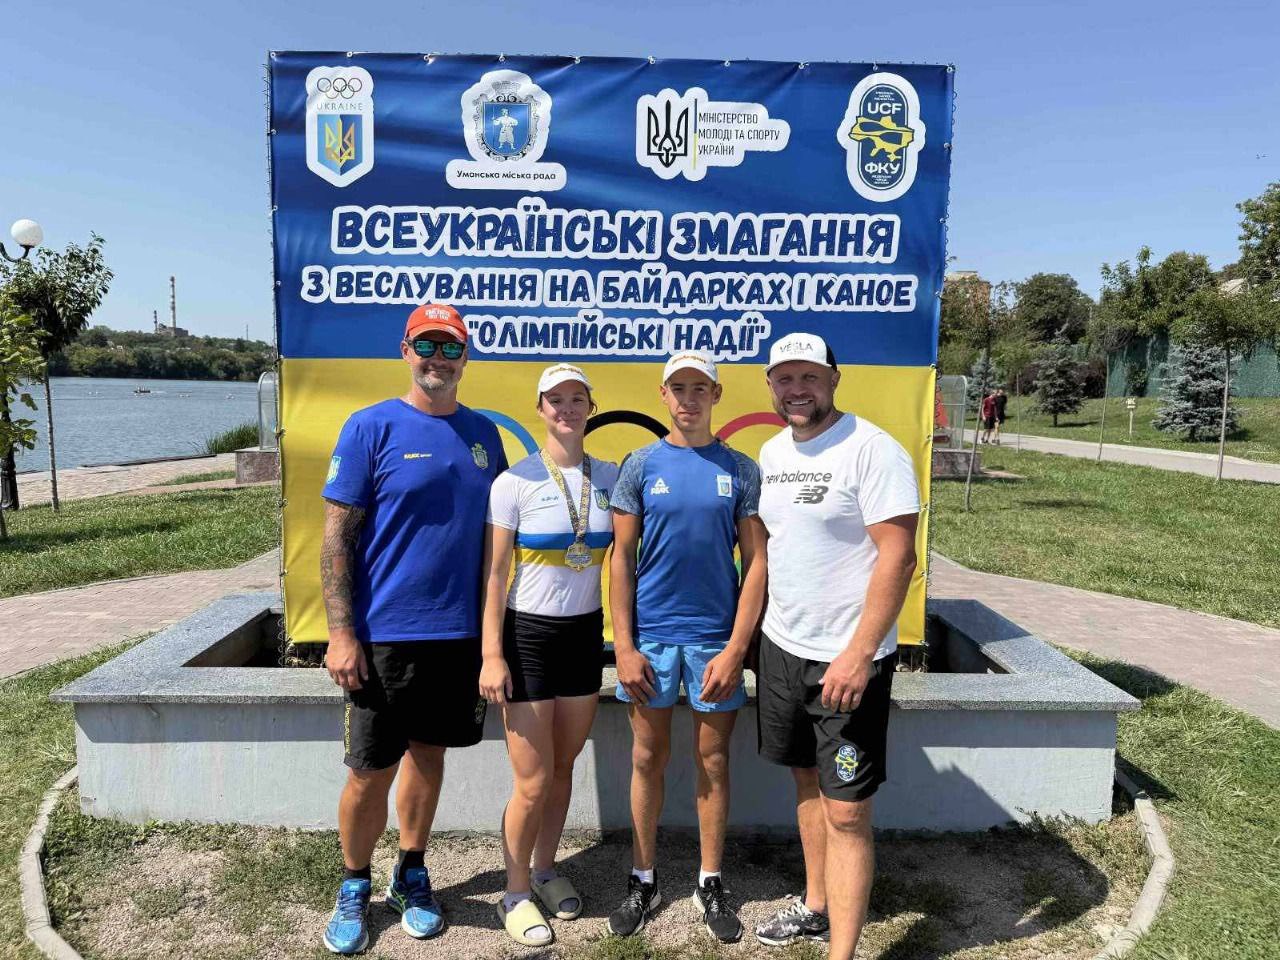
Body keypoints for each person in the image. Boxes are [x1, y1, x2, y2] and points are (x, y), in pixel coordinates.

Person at [319, 303, 508, 955]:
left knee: (429, 757)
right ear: (405, 350)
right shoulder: (369, 426)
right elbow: (337, 538)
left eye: (450, 347)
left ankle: (411, 871)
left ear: (465, 358)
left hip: (457, 638)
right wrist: (341, 634)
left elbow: (497, 544)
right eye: (426, 344)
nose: (438, 358)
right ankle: (354, 883)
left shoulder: (485, 436)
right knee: (369, 771)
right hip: (383, 637)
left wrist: (493, 639)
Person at [752, 333, 919, 960]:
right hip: (782, 648)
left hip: (846, 660)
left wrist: (858, 653)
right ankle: (815, 905)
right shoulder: (772, 451)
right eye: (785, 378)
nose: (797, 390)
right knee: (806, 781)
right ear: (771, 385)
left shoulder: (872, 449)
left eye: (809, 377)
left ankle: (840, 954)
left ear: (833, 379)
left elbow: (898, 556)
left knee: (847, 812)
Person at [606, 351, 767, 944]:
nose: (689, 398)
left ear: (717, 395)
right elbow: (621, 558)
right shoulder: (640, 464)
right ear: (663, 394)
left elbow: (757, 563)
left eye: (701, 388)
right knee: (647, 758)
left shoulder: (740, 469)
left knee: (713, 762)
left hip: (713, 643)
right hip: (650, 641)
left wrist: (737, 649)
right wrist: (623, 646)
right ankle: (643, 878)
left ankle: (710, 880)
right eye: (679, 388)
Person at [479, 363, 620, 947]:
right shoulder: (513, 483)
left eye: (576, 399)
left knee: (562, 768)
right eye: (555, 399)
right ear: (540, 409)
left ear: (590, 408)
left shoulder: (611, 477)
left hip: (584, 635)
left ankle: (544, 869)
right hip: (528, 637)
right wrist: (491, 654)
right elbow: (494, 575)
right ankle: (514, 894)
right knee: (533, 780)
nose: (566, 408)